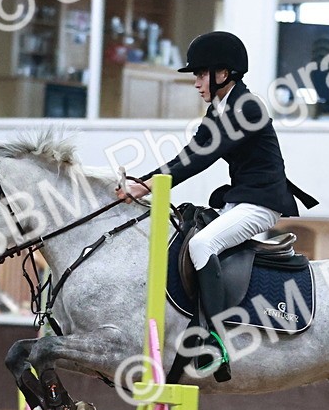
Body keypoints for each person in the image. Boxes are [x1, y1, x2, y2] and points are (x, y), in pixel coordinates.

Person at [116, 31, 317, 381]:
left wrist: (146, 185)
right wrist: (143, 180)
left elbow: (201, 159)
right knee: (187, 233)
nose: (195, 83)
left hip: (260, 203)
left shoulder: (248, 107)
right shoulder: (217, 109)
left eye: (199, 74)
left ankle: (214, 338)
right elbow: (187, 155)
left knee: (202, 243)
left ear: (223, 73)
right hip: (239, 199)